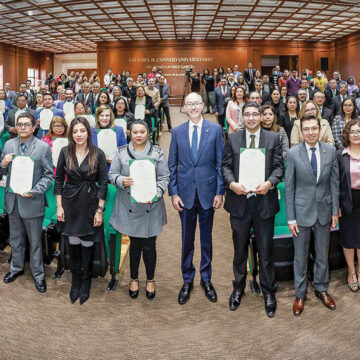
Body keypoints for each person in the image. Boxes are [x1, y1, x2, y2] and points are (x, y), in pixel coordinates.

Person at [222, 101, 283, 317]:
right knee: (239, 251)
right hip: (239, 203)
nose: (250, 118)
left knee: (266, 251)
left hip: (264, 203)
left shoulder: (273, 138)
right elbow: (226, 166)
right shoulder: (233, 138)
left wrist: (270, 183)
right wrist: (231, 184)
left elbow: (278, 167)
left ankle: (268, 291)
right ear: (242, 117)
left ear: (261, 117)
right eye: (246, 114)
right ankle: (238, 288)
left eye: (254, 114)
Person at [168, 92, 224, 305]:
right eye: (189, 104)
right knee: (187, 240)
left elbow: (220, 164)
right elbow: (172, 165)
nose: (193, 107)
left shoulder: (216, 130)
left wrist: (220, 192)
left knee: (207, 239)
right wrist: (173, 192)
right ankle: (187, 279)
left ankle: (206, 279)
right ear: (185, 106)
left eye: (196, 103)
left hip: (209, 193)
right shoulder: (177, 131)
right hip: (185, 195)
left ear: (202, 105)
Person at [108, 120, 170, 300]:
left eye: (142, 132)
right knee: (134, 245)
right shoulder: (121, 153)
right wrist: (121, 180)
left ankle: (150, 279)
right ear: (130, 134)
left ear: (148, 133)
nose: (138, 135)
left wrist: (157, 193)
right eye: (135, 132)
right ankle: (134, 278)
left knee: (150, 246)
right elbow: (111, 175)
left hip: (151, 204)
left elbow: (164, 176)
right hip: (130, 205)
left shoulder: (157, 153)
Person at [285, 114, 339, 316]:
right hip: (301, 214)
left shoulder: (330, 151)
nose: (310, 132)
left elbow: (334, 184)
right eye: (306, 129)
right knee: (300, 257)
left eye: (314, 128)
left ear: (320, 129)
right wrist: (291, 218)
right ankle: (300, 294)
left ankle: (322, 288)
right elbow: (289, 189)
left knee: (322, 254)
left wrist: (334, 210)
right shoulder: (293, 154)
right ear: (301, 131)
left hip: (324, 212)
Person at [55, 117, 108, 304]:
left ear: (88, 132)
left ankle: (86, 281)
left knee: (88, 240)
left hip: (90, 202)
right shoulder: (64, 152)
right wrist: (59, 206)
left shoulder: (98, 153)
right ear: (71, 133)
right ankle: (75, 280)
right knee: (73, 240)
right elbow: (59, 180)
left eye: (82, 131)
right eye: (75, 131)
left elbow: (103, 183)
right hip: (70, 203)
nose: (79, 134)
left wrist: (100, 210)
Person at [0, 113, 53, 292]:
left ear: (33, 127)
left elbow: (48, 175)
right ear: (16, 126)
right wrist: (3, 163)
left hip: (32, 201)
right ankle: (16, 268)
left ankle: (38, 275)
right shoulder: (8, 144)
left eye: (26, 124)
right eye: (20, 124)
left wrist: (35, 191)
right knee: (15, 239)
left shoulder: (43, 147)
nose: (23, 127)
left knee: (35, 241)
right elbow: (2, 172)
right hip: (13, 200)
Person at [336, 119, 360, 292]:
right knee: (349, 239)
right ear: (347, 135)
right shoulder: (341, 155)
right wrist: (336, 205)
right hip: (348, 202)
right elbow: (335, 183)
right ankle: (351, 272)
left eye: (359, 131)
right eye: (352, 131)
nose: (356, 134)